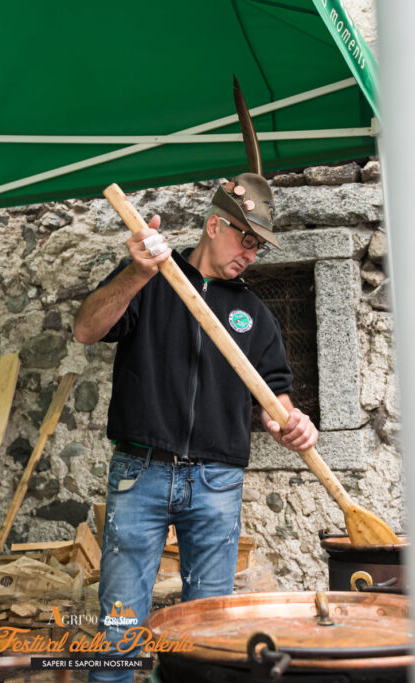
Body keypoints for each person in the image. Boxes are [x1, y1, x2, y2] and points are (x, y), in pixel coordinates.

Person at [73, 173, 318, 681]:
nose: (251, 253)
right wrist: (138, 274)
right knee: (119, 629)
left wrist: (292, 423)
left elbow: (276, 392)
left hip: (217, 483)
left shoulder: (254, 313)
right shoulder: (149, 277)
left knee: (205, 636)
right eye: (245, 238)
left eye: (259, 245)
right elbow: (86, 329)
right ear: (213, 225)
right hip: (140, 471)